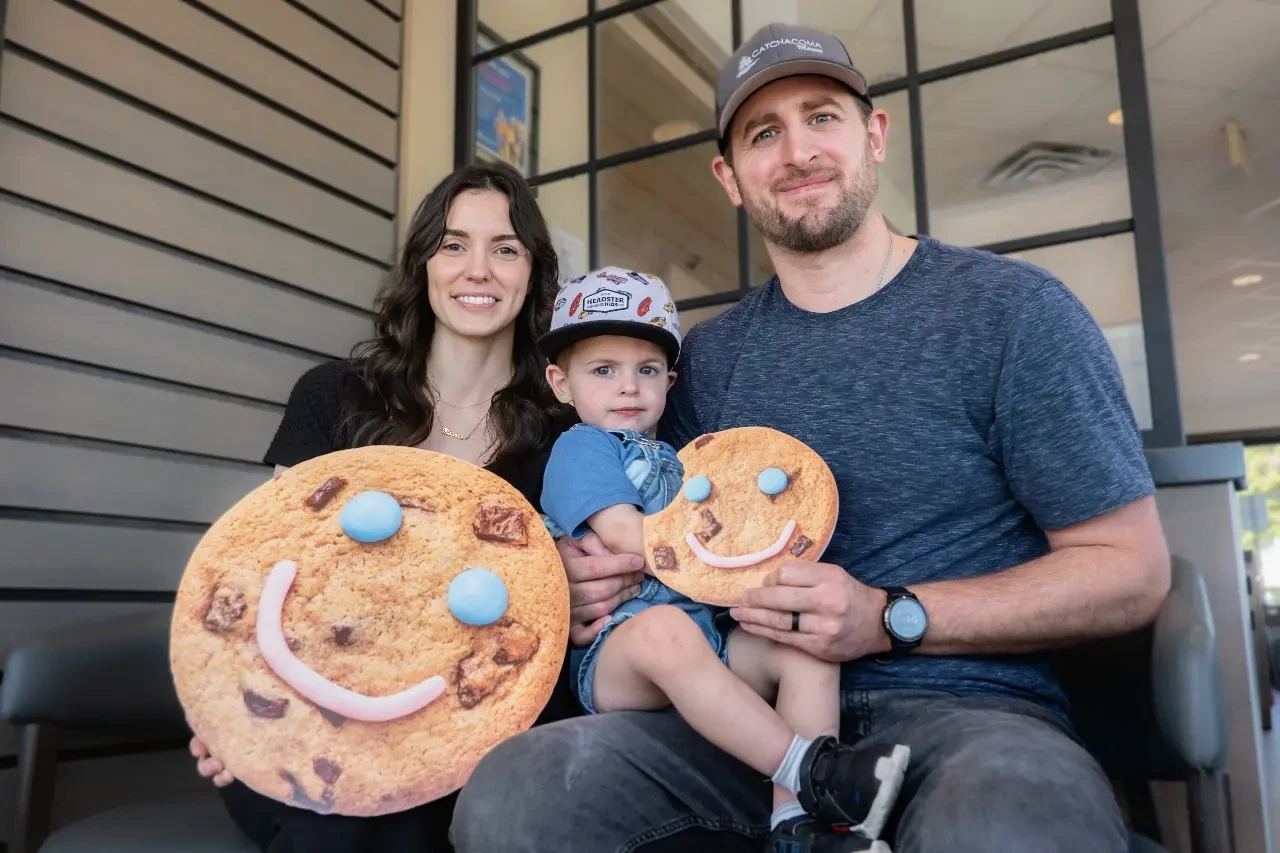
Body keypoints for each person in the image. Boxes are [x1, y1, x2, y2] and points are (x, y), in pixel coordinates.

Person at [449, 22, 1172, 853]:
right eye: (763, 133)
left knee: (1006, 825)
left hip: (968, 715)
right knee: (518, 794)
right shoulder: (703, 364)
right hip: (740, 709)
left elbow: (1130, 569)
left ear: (874, 134)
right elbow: (656, 534)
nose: (797, 151)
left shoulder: (1012, 314)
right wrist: (585, 578)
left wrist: (890, 615)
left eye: (822, 116)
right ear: (730, 176)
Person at [187, 160, 585, 852]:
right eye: (454, 244)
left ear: (533, 273)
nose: (478, 269)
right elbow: (264, 573)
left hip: (476, 729)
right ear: (423, 263)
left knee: (425, 821)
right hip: (314, 711)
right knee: (337, 825)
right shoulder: (333, 398)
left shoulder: (568, 435)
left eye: (506, 248)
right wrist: (236, 715)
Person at [535, 266, 910, 851]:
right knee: (663, 631)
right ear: (560, 383)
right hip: (619, 650)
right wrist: (728, 551)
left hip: (702, 638)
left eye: (647, 370)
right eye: (603, 370)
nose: (628, 387)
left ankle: (797, 827)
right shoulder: (581, 449)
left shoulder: (679, 456)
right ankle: (814, 774)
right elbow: (631, 536)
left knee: (799, 639)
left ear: (670, 380)